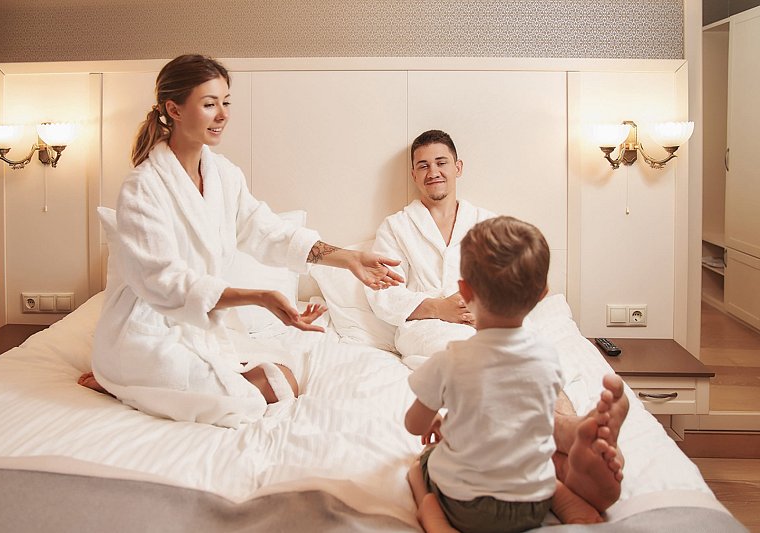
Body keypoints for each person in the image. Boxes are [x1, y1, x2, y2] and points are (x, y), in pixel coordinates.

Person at [78, 54, 403, 428]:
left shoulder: (223, 175)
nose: (223, 115)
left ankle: (146, 384)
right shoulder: (143, 188)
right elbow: (163, 282)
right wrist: (259, 296)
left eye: (226, 102)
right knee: (244, 401)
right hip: (144, 332)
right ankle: (117, 379)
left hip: (197, 327)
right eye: (209, 104)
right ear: (174, 109)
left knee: (282, 381)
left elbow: (268, 232)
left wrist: (347, 258)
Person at [404, 216, 624, 532]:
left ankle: (435, 519)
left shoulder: (450, 361)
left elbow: (414, 425)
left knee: (420, 465)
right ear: (542, 294)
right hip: (531, 504)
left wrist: (436, 420)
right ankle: (563, 496)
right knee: (529, 450)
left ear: (464, 292)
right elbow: (514, 413)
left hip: (467, 508)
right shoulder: (547, 357)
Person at [365, 129, 494, 367]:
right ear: (414, 175)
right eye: (423, 166)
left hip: (482, 323)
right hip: (425, 329)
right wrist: (439, 308)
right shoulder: (396, 227)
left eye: (441, 163)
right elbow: (383, 293)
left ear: (458, 168)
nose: (433, 172)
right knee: (465, 356)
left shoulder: (488, 223)